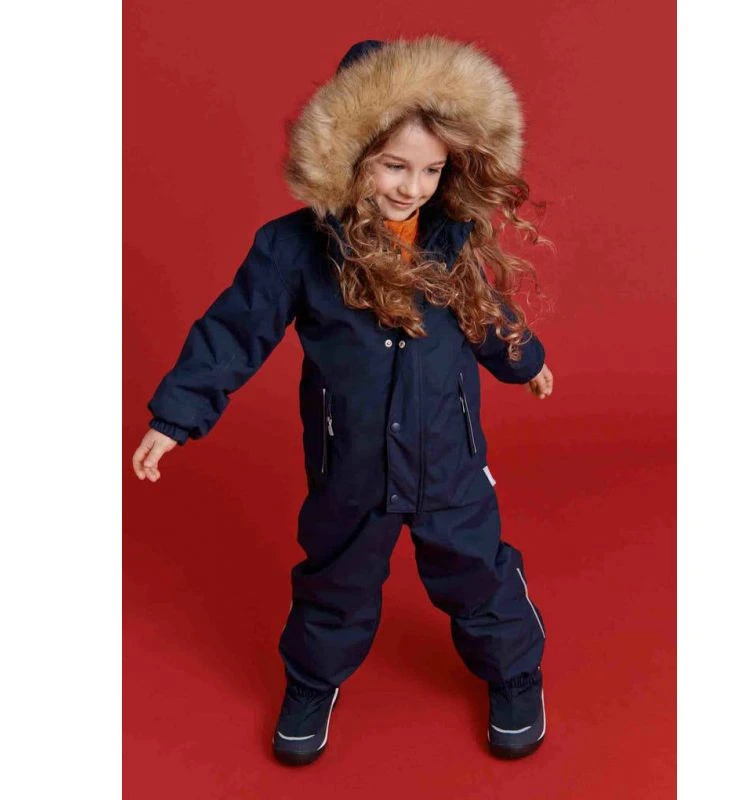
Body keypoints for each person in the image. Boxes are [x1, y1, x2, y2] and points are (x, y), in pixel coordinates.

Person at [131, 35, 555, 766]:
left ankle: (515, 675)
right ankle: (310, 683)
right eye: (394, 165)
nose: (412, 187)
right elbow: (234, 331)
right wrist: (176, 416)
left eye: (430, 169)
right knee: (336, 583)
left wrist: (528, 364)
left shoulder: (451, 239)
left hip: (449, 461)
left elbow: (486, 315)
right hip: (350, 465)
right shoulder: (293, 249)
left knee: (477, 573)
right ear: (350, 154)